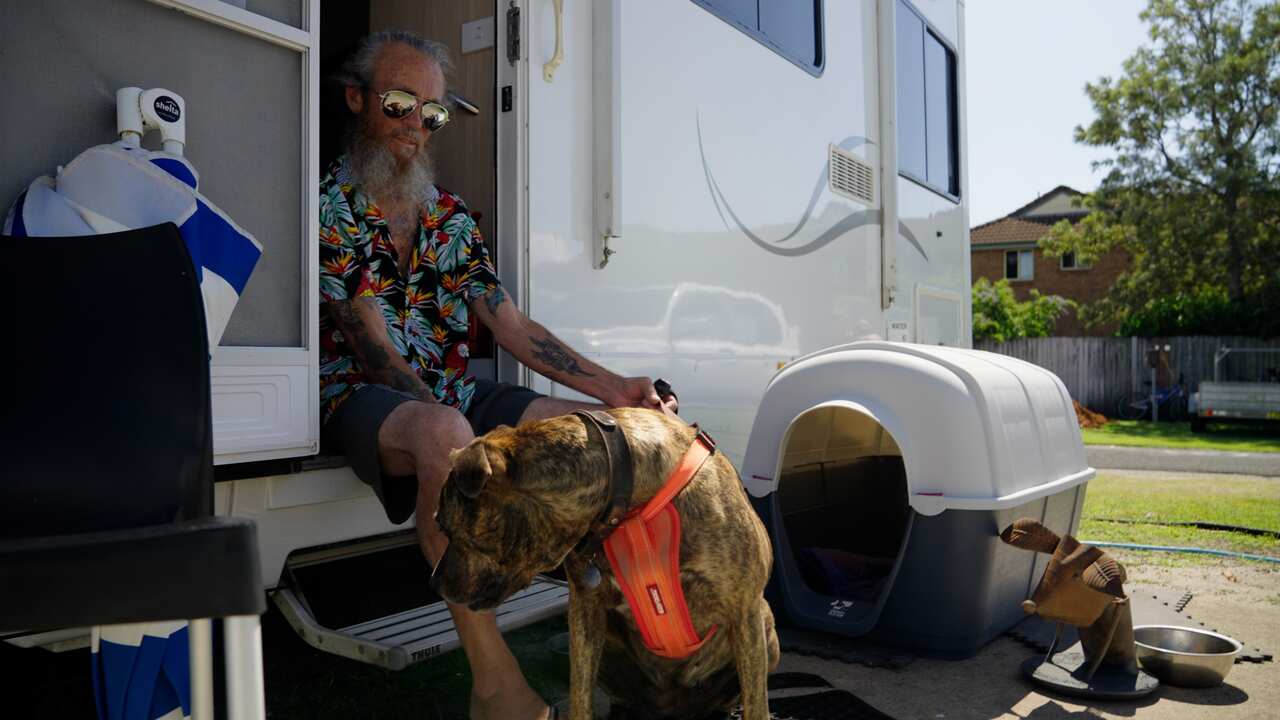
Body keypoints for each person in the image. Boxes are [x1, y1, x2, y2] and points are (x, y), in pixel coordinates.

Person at [320, 30, 675, 720]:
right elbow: (377, 356)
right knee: (446, 432)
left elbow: (513, 328)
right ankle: (495, 689)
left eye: (432, 113)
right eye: (397, 103)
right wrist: (469, 452)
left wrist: (616, 390)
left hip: (451, 391)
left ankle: (642, 640)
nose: (414, 126)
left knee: (586, 434)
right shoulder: (330, 203)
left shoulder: (448, 217)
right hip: (358, 394)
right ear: (357, 99)